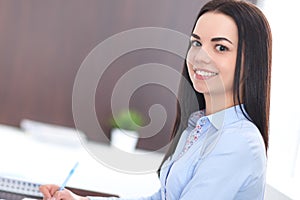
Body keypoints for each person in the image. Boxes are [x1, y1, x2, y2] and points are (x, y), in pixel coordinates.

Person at [39, 0, 272, 199]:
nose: (201, 57)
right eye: (197, 43)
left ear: (249, 62)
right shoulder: (199, 127)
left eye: (220, 47)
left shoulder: (238, 141)